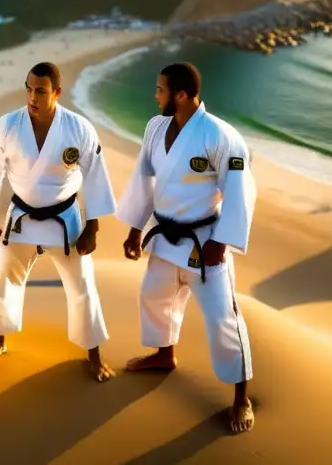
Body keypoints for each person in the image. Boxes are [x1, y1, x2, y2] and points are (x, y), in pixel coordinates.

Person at [115, 62, 257, 433]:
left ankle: (241, 398)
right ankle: (164, 356)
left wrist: (221, 242)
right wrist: (134, 229)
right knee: (154, 296)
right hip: (164, 235)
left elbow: (241, 190)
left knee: (222, 318)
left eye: (160, 90)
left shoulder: (221, 137)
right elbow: (143, 179)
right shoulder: (155, 127)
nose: (155, 95)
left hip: (204, 240)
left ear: (180, 95)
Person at [0, 62, 117, 382]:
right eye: (29, 88)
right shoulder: (7, 126)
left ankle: (93, 354)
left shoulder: (79, 129)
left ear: (57, 93)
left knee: (82, 287)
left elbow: (95, 179)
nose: (32, 97)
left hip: (65, 218)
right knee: (5, 280)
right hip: (20, 218)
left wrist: (93, 227)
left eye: (41, 91)